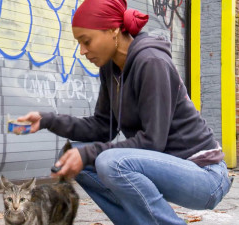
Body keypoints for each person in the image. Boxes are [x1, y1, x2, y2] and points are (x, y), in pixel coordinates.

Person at [17, 0, 232, 224]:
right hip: (169, 166)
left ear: (113, 31)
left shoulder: (151, 62)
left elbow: (152, 142)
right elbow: (102, 126)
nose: (82, 51)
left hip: (204, 175)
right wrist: (48, 121)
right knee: (74, 157)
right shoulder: (111, 67)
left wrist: (89, 154)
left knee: (110, 162)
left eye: (86, 41)